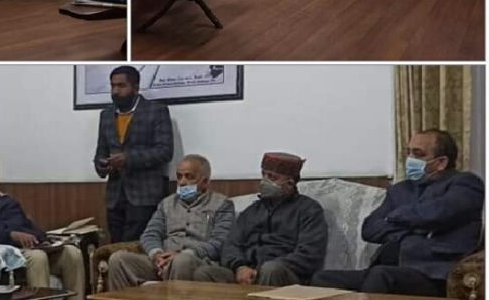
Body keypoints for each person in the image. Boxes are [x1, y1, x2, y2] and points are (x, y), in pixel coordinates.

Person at [311, 129, 484, 296]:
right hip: (390, 267)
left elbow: (435, 214)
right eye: (408, 152)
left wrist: (393, 217)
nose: (410, 159)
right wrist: (412, 231)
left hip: (433, 273)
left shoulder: (465, 184)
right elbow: (370, 229)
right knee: (323, 279)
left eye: (418, 154)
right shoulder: (400, 189)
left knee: (381, 277)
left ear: (441, 162)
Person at [0, 161, 85, 299]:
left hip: (22, 248)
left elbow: (23, 225)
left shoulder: (7, 202)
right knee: (37, 257)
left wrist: (43, 240)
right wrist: (9, 234)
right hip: (3, 256)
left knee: (72, 253)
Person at [194, 153, 328, 286]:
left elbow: (310, 254)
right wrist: (240, 267)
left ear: (290, 182)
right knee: (204, 273)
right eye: (264, 175)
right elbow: (231, 245)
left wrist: (267, 267)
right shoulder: (251, 211)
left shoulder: (308, 210)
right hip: (246, 270)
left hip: (285, 273)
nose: (265, 181)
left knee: (270, 270)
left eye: (272, 177)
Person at [107, 155, 235, 289]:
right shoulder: (166, 203)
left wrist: (186, 253)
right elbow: (150, 234)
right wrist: (157, 255)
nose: (182, 182)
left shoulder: (222, 204)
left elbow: (220, 242)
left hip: (196, 260)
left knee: (181, 261)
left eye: (189, 177)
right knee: (118, 259)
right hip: (163, 260)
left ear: (205, 181)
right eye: (179, 177)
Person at [93, 66, 174, 243]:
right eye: (113, 86)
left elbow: (165, 151)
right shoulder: (106, 115)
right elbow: (101, 151)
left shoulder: (156, 111)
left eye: (121, 86)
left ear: (136, 87)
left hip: (144, 195)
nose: (115, 91)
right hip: (115, 197)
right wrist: (102, 164)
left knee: (137, 248)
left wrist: (128, 159)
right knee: (116, 247)